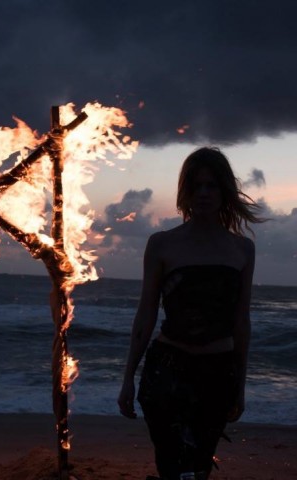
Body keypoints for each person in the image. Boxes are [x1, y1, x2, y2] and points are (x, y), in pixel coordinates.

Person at [117, 147, 264, 480]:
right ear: (185, 192)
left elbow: (241, 321)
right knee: (170, 464)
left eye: (212, 185)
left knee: (199, 467)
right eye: (196, 186)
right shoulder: (162, 244)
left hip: (217, 372)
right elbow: (146, 314)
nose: (204, 193)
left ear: (224, 191)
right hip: (167, 370)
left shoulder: (242, 249)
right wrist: (128, 378)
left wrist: (240, 386)